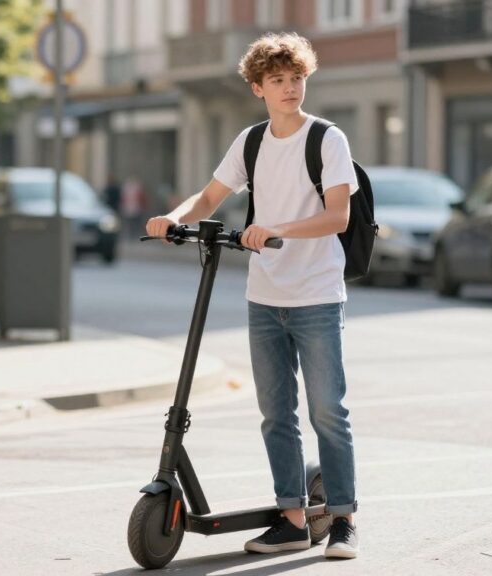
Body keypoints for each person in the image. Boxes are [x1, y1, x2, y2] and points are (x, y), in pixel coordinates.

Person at [145, 32, 360, 559]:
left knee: (327, 409)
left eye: (297, 79)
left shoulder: (326, 139)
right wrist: (175, 217)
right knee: (275, 412)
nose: (290, 89)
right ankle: (291, 518)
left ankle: (343, 520)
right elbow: (211, 196)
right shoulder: (251, 141)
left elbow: (339, 215)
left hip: (316, 294)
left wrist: (273, 226)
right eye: (279, 81)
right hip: (265, 296)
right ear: (258, 88)